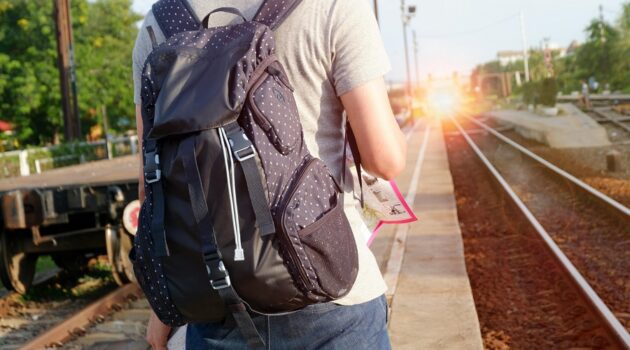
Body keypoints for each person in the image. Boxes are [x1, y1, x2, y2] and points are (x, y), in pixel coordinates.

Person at [132, 0, 406, 348]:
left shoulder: (159, 23)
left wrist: (162, 310)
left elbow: (154, 187)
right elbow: (386, 159)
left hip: (216, 299)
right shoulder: (335, 5)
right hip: (331, 294)